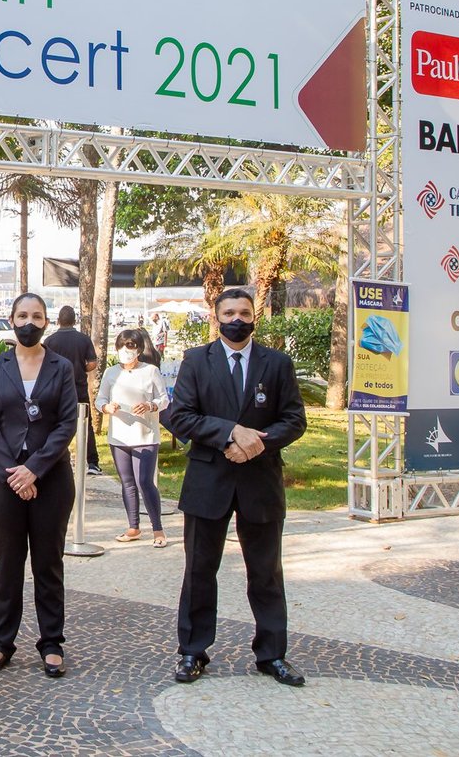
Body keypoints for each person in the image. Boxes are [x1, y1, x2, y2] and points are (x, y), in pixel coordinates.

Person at [161, 287, 305, 687]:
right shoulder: (196, 360)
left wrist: (255, 443)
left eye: (244, 312)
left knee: (266, 572)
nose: (237, 320)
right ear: (217, 317)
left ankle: (272, 654)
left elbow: (294, 420)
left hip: (261, 480)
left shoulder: (277, 363)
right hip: (209, 481)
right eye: (229, 313)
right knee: (199, 570)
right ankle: (192, 651)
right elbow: (181, 417)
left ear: (254, 315)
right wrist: (230, 433)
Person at [0, 293, 77, 679]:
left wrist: (33, 469)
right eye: (22, 316)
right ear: (11, 320)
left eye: (36, 316)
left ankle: (51, 643)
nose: (29, 323)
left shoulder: (61, 367)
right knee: (7, 561)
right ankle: (0, 642)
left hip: (51, 478)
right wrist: (14, 474)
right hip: (3, 479)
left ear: (46, 322)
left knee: (48, 562)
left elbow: (66, 423)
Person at [96, 328, 169, 547]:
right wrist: (107, 407)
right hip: (119, 436)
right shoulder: (111, 373)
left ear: (138, 349)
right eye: (122, 346)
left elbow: (164, 399)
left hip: (145, 435)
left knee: (144, 481)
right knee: (127, 482)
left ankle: (158, 529)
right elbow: (100, 400)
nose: (126, 351)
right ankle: (133, 526)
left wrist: (150, 405)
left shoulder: (151, 371)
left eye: (131, 346)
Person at [42, 304, 101, 476]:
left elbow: (44, 366)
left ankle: (54, 459)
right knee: (86, 425)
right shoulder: (83, 339)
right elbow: (92, 363)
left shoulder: (50, 341)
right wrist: (81, 368)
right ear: (75, 321)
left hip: (56, 390)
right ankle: (92, 462)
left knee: (55, 425)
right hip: (79, 388)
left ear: (58, 321)